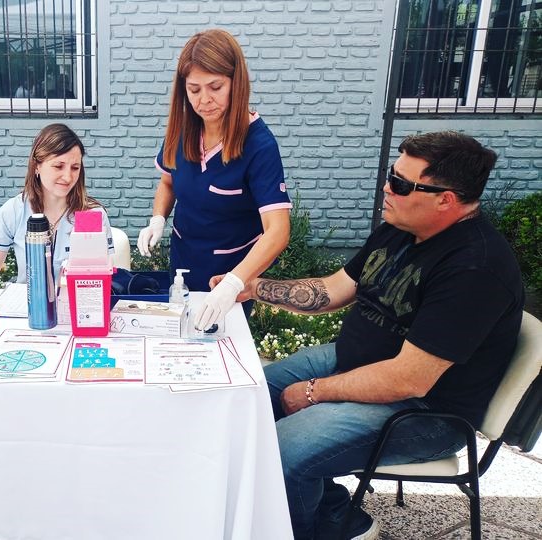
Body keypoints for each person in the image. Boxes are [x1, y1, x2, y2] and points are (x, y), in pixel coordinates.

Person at [216, 131, 524, 540]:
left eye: (400, 183)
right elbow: (335, 289)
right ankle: (329, 506)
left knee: (281, 451)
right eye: (390, 175)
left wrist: (313, 392)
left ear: (445, 199)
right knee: (246, 392)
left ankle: (312, 528)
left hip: (425, 412)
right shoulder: (402, 227)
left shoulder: (475, 269)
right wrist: (252, 287)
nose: (386, 188)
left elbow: (408, 379)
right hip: (356, 363)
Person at [136, 28, 291, 332]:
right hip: (183, 261)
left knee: (218, 344)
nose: (204, 100)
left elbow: (278, 230)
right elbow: (168, 181)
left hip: (228, 275)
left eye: (215, 87)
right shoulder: (182, 130)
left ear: (236, 83)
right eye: (194, 90)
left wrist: (234, 283)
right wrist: (157, 219)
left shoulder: (259, 146)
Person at [0, 123, 113, 290]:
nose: (68, 177)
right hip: (28, 303)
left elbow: (104, 281)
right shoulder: (15, 210)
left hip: (78, 303)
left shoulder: (92, 215)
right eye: (58, 166)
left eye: (75, 168)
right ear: (37, 165)